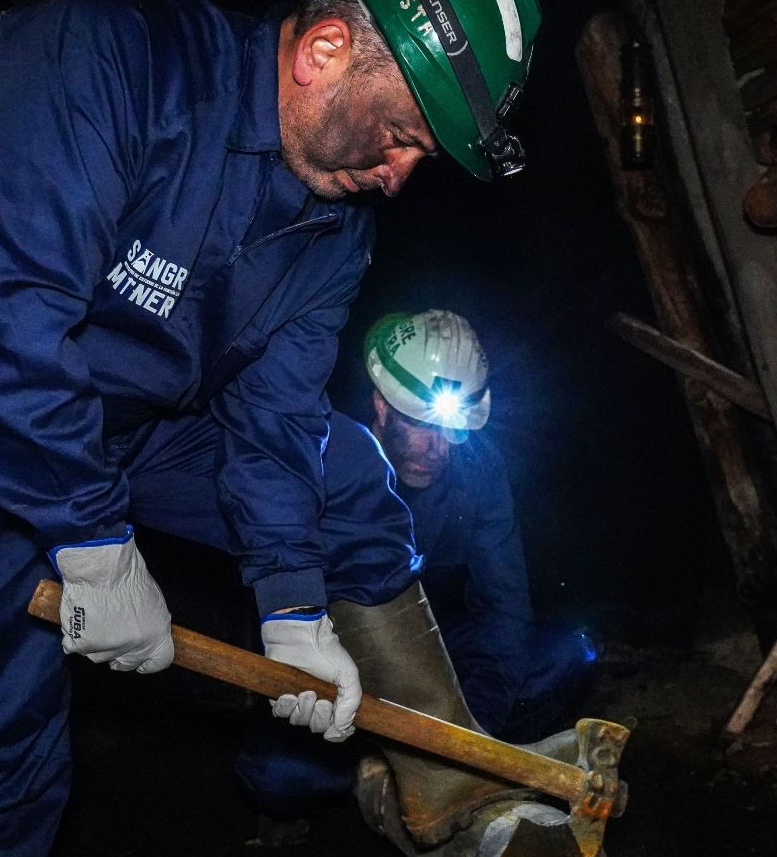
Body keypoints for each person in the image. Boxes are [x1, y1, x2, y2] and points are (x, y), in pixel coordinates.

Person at [0, 0, 547, 857]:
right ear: (325, 49)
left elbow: (277, 415)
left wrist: (293, 605)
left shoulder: (334, 227)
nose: (398, 173)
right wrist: (93, 544)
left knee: (344, 476)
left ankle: (450, 792)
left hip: (135, 413)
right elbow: (15, 312)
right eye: (399, 134)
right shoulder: (102, 59)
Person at [233, 310, 593, 820]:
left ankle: (443, 767)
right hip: (336, 665)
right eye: (421, 425)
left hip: (438, 659)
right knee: (272, 775)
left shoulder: (479, 468)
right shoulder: (317, 459)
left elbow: (503, 608)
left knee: (566, 655)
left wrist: (465, 736)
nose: (438, 448)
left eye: (452, 429)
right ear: (382, 404)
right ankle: (375, 775)